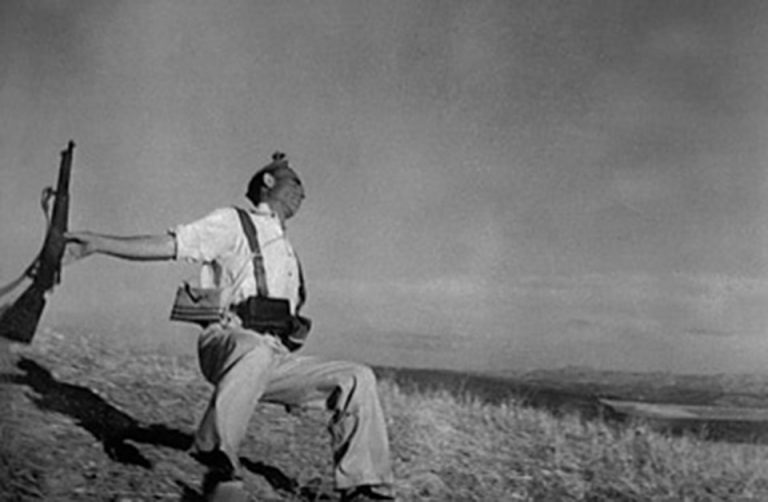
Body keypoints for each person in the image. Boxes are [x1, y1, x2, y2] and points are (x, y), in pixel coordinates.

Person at [65, 152, 396, 502]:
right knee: (254, 350)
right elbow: (171, 245)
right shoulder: (233, 222)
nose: (303, 193)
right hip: (227, 341)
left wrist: (297, 379)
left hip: (272, 357)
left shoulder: (288, 253)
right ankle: (218, 458)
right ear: (269, 181)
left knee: (357, 377)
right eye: (297, 183)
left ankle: (365, 487)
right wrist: (98, 243)